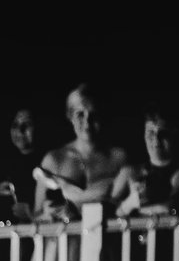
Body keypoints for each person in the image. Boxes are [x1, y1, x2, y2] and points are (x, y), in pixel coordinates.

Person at [33, 84, 130, 217]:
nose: (87, 122)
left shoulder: (118, 157)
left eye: (93, 114)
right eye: (80, 114)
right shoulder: (54, 160)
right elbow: (36, 215)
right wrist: (47, 214)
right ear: (70, 116)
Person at [115, 110, 179, 213]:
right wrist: (129, 203)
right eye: (151, 132)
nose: (156, 139)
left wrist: (137, 208)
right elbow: (105, 211)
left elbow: (172, 208)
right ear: (144, 135)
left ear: (173, 134)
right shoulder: (130, 172)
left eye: (163, 132)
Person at [0, 107, 44, 221]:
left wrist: (31, 212)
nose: (20, 130)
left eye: (26, 124)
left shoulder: (48, 162)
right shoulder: (1, 163)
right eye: (15, 125)